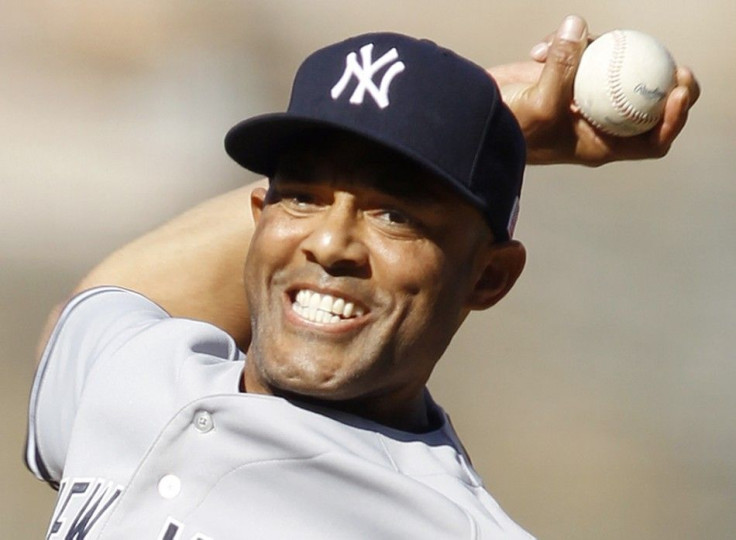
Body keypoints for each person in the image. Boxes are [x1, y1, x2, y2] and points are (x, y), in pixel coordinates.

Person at [25, 15, 699, 539]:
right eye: (303, 197)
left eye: (394, 213)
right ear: (258, 216)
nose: (330, 243)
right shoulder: (140, 373)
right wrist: (500, 119)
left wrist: (481, 134)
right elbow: (86, 315)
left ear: (489, 279)